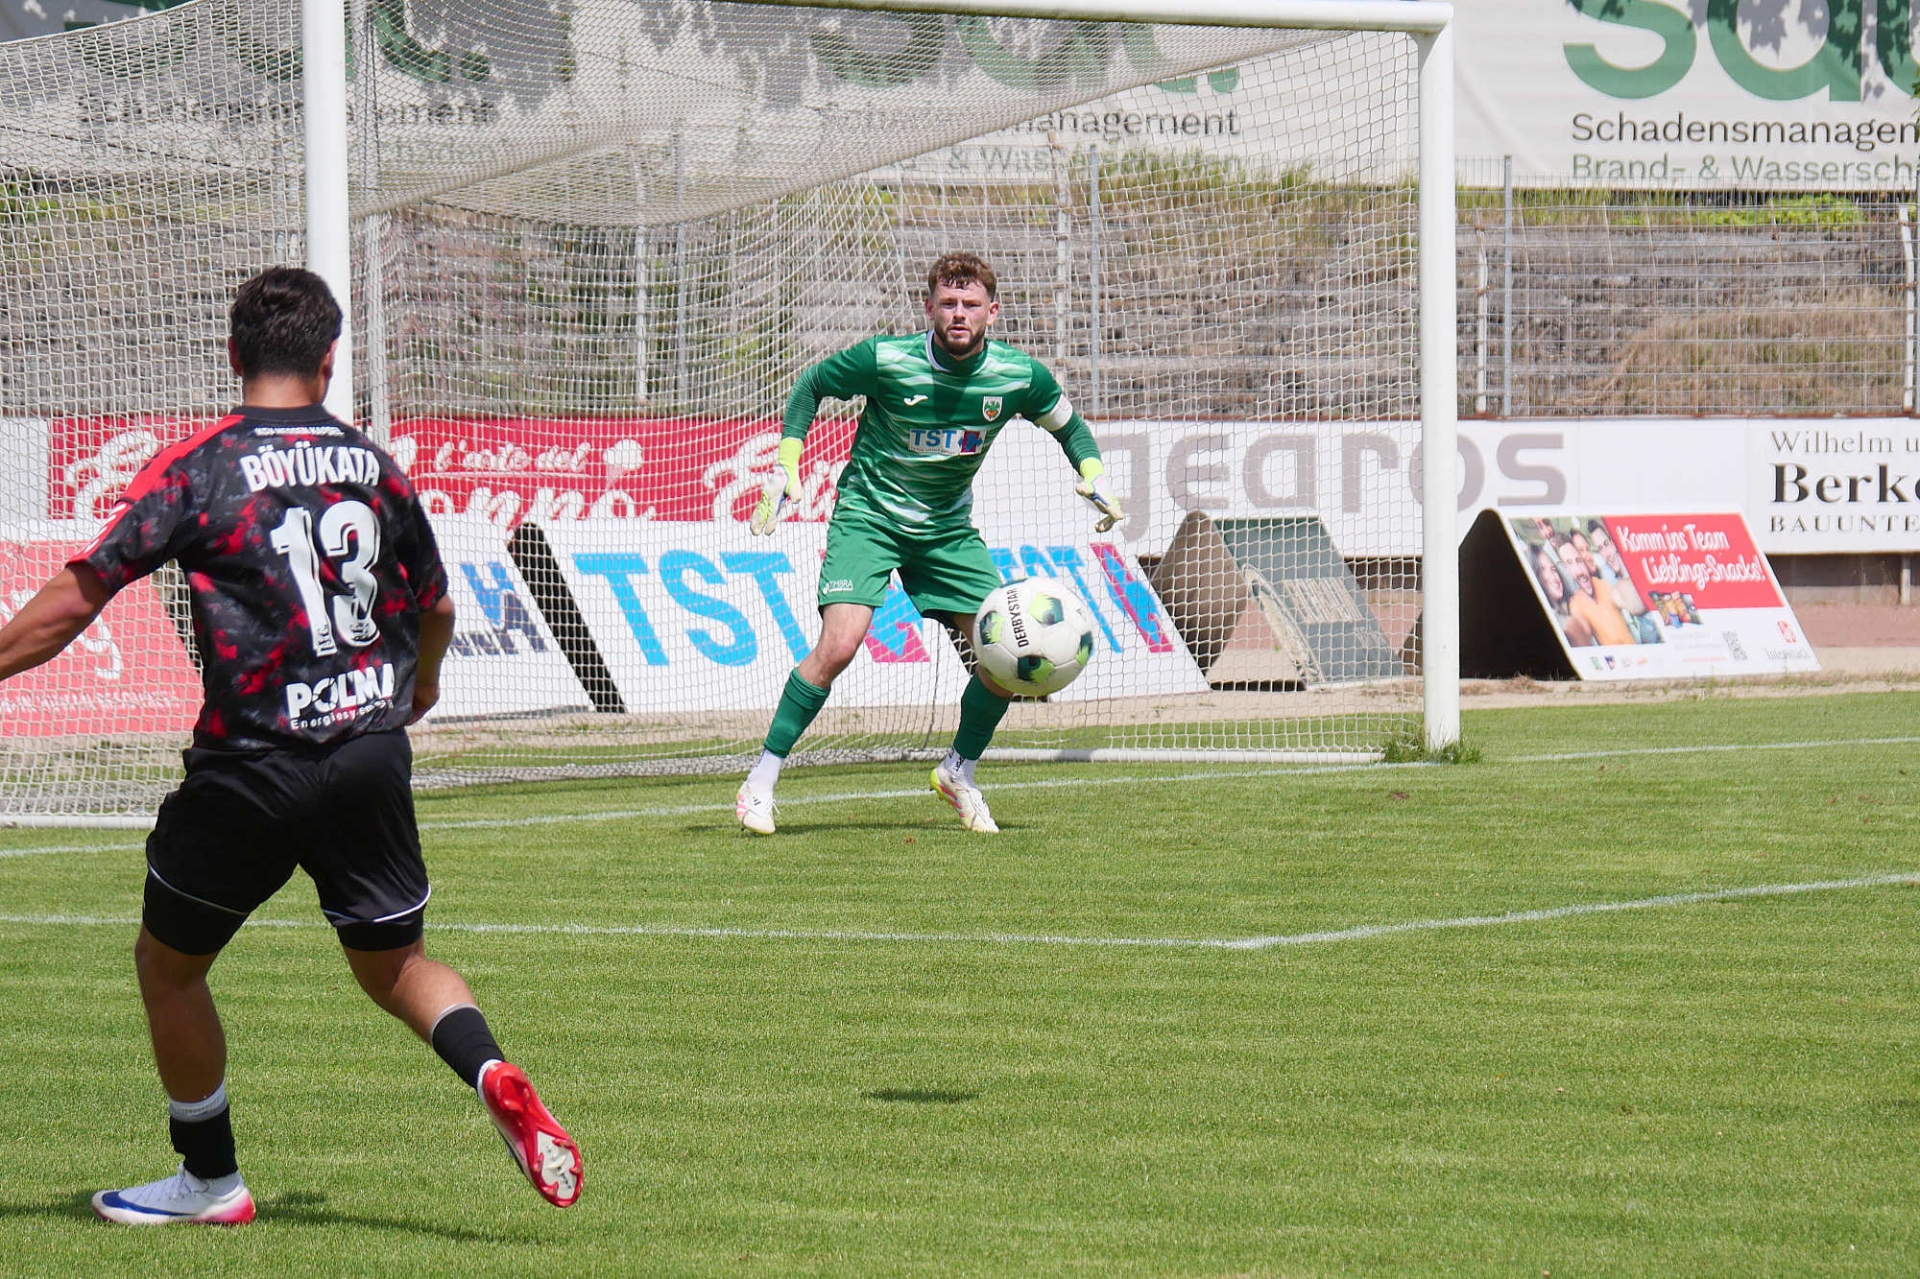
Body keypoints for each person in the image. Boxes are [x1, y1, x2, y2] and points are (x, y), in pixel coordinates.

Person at [0, 268, 581, 1224]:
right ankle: (489, 1070)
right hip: (368, 750)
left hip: (255, 764)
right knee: (397, 966)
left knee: (169, 966)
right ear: (329, 359)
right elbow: (435, 605)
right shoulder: (373, 464)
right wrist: (421, 684)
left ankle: (210, 1181)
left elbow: (79, 594)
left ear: (234, 355)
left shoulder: (203, 468)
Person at [735, 252, 1123, 835]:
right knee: (839, 646)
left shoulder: (1019, 376)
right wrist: (787, 461)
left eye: (970, 304)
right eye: (948, 303)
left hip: (946, 531)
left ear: (993, 311)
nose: (958, 313)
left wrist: (1094, 473)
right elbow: (812, 384)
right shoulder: (887, 359)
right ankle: (760, 781)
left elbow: (1068, 426)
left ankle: (958, 771)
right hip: (869, 517)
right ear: (929, 307)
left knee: (1007, 657)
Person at [1532, 542, 1596, 647]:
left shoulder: (1574, 603)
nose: (1553, 577)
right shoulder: (1559, 623)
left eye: (1553, 569)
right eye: (1542, 570)